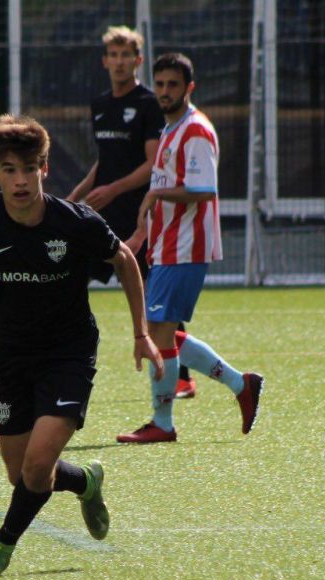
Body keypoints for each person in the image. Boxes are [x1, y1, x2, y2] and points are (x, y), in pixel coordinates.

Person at [0, 114, 163, 578]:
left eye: (29, 169)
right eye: (9, 170)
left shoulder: (74, 222)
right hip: (12, 357)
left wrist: (141, 333)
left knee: (38, 462)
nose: (20, 181)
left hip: (69, 353)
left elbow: (125, 259)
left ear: (44, 169)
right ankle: (85, 481)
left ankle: (0, 547)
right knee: (23, 473)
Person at [118, 53, 264, 444]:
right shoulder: (171, 129)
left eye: (173, 85)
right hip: (167, 245)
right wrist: (144, 231)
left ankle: (163, 423)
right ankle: (241, 384)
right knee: (159, 332)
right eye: (160, 84)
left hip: (186, 247)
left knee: (159, 333)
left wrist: (154, 195)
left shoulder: (195, 130)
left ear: (190, 88)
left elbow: (203, 191)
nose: (165, 92)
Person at [67, 25, 198, 399]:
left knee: (157, 301)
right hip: (103, 216)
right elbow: (105, 162)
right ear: (104, 61)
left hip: (139, 217)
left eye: (127, 55)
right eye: (114, 55)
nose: (120, 62)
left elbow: (152, 163)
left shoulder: (148, 103)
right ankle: (61, 359)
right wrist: (74, 197)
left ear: (138, 60)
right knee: (70, 277)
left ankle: (182, 376)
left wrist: (113, 189)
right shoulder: (100, 105)